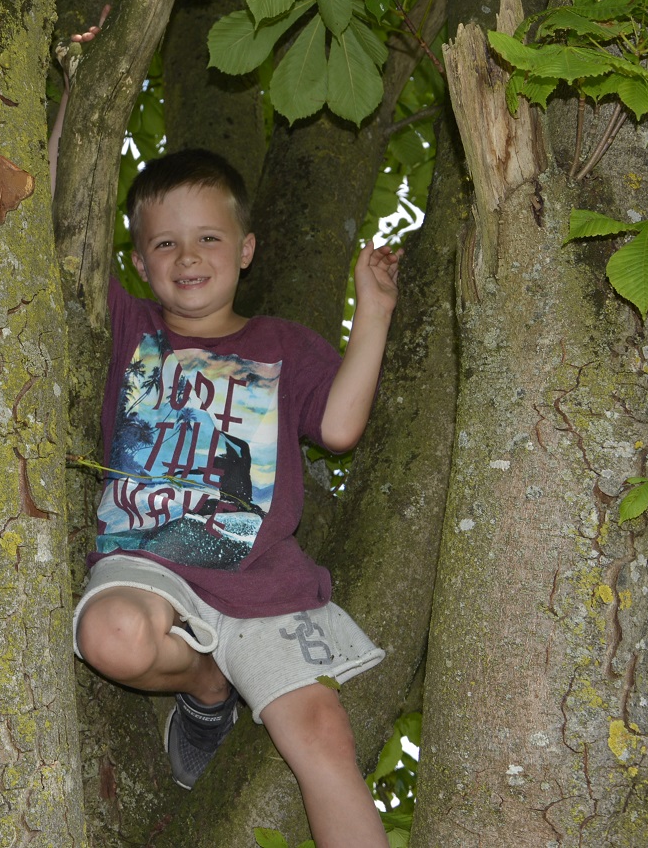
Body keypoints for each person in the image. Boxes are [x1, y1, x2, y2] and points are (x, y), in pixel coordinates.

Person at [71, 150, 400, 848]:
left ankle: (227, 670)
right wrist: (77, 88)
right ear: (139, 259)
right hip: (149, 559)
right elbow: (55, 217)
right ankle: (208, 683)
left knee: (321, 734)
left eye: (209, 238)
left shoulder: (281, 343)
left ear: (246, 249)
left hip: (258, 582)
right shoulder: (132, 329)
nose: (188, 256)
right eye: (165, 242)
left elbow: (340, 428)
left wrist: (373, 310)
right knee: (112, 637)